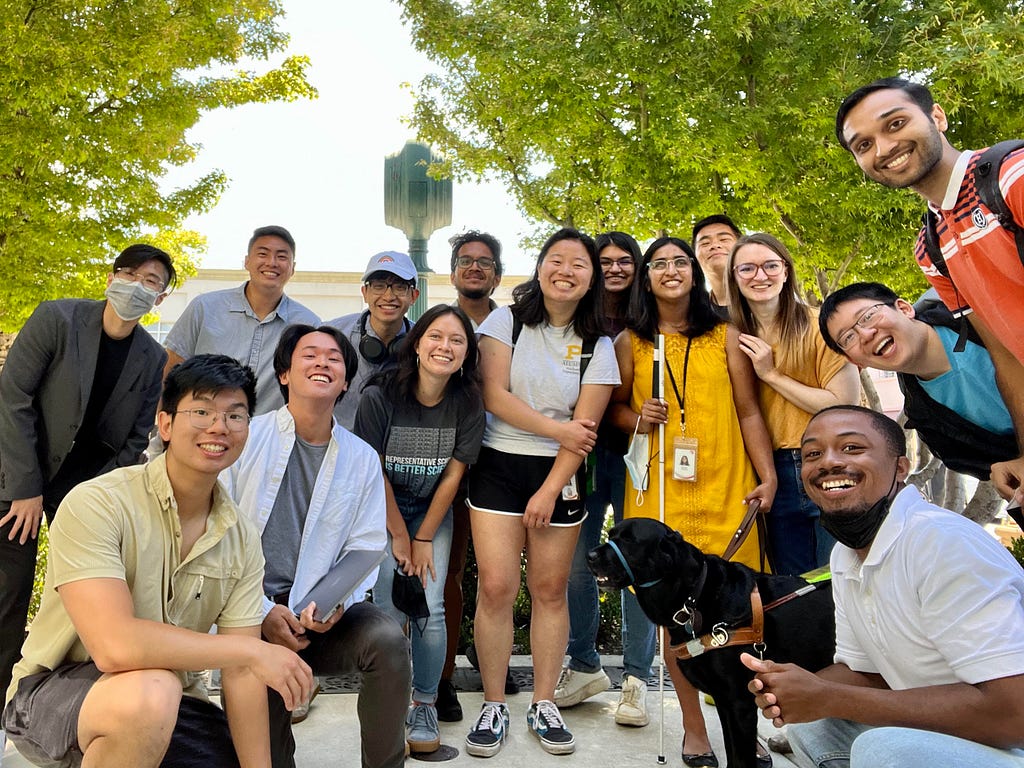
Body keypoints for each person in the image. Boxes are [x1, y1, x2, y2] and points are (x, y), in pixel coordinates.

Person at [3, 355, 314, 768]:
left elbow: (241, 674)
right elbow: (115, 647)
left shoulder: (239, 536)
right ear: (165, 424)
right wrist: (250, 652)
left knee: (227, 750)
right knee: (153, 692)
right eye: (201, 411)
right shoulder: (99, 503)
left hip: (171, 703)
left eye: (235, 416)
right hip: (54, 693)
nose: (219, 427)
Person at [742, 405, 1024, 768]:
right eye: (812, 453)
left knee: (883, 749)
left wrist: (828, 696)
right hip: (958, 734)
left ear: (901, 469)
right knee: (813, 727)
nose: (828, 462)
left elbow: (1013, 714)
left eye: (851, 448)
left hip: (1011, 741)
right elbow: (868, 674)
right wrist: (785, 685)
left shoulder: (942, 543)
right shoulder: (847, 555)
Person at [609, 236, 776, 767]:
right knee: (674, 619)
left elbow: (750, 410)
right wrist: (637, 417)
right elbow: (612, 412)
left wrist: (767, 474)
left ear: (695, 272)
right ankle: (694, 727)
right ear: (646, 276)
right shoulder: (629, 342)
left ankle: (741, 727)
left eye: (680, 261)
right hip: (660, 493)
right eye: (659, 263)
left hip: (726, 479)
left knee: (740, 613)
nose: (671, 270)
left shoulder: (727, 334)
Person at [220, 324, 410, 768]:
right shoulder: (246, 438)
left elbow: (364, 547)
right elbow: (218, 536)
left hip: (319, 616)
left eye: (334, 358)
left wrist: (333, 604)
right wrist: (265, 612)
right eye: (309, 355)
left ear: (345, 381)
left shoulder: (361, 455)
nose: (322, 362)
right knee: (264, 751)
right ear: (284, 374)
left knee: (385, 640)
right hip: (247, 617)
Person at [465, 228, 620, 757]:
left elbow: (587, 429)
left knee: (551, 590)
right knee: (496, 587)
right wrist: (556, 431)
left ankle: (545, 701)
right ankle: (492, 704)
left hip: (561, 475)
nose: (567, 271)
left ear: (592, 278)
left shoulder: (600, 344)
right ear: (539, 267)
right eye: (557, 260)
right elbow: (494, 396)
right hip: (499, 465)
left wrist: (551, 488)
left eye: (580, 264)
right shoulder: (505, 320)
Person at [834, 77, 1024, 503]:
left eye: (895, 123)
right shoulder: (931, 248)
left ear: (937, 116)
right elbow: (1004, 351)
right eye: (863, 146)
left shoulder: (1012, 176)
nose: (883, 148)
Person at [0, 243, 174, 698]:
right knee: (8, 596)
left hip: (84, 489)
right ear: (111, 277)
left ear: (161, 300)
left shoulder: (152, 357)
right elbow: (13, 399)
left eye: (151, 282)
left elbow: (135, 440)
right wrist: (26, 488)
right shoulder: (58, 319)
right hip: (18, 477)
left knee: (82, 598)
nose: (137, 286)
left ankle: (57, 703)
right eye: (129, 274)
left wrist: (92, 501)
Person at [354, 304, 486, 753]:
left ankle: (425, 702)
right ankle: (389, 701)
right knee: (389, 607)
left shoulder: (467, 401)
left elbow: (454, 473)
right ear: (417, 343)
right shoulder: (381, 395)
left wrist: (424, 536)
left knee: (430, 605)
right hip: (383, 509)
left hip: (433, 511)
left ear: (467, 354)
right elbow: (374, 471)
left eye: (456, 340)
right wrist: (399, 537)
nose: (444, 347)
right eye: (435, 336)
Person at [555, 231, 650, 726]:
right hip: (583, 455)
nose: (614, 269)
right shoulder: (577, 316)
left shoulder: (649, 318)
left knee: (638, 565)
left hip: (638, 455)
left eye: (624, 261)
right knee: (576, 563)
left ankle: (636, 678)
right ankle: (585, 663)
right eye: (604, 261)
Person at [726, 233, 860, 575]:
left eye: (770, 265)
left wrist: (771, 375)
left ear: (786, 271)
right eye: (748, 268)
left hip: (827, 460)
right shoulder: (728, 335)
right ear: (734, 277)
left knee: (839, 578)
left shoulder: (818, 326)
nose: (760, 276)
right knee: (792, 589)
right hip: (766, 470)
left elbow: (842, 405)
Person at [819, 282, 1016, 479]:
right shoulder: (926, 420)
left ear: (904, 309)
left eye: (868, 316)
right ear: (855, 361)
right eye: (848, 338)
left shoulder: (977, 309)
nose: (865, 334)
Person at [437, 231, 505, 723]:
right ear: (454, 271)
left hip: (508, 461)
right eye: (466, 261)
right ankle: (439, 677)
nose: (475, 268)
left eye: (484, 262)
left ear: (497, 274)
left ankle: (491, 658)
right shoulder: (440, 326)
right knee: (449, 574)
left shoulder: (517, 324)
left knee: (501, 577)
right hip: (452, 464)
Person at [164, 225, 318, 415]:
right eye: (263, 254)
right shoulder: (204, 307)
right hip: (203, 429)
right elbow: (169, 369)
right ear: (247, 261)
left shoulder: (308, 325)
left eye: (282, 256)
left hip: (269, 437)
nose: (272, 262)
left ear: (293, 268)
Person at [327, 251, 419, 430]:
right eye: (379, 286)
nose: (388, 296)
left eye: (399, 287)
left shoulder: (424, 342)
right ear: (365, 292)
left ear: (414, 296)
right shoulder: (332, 336)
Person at [692, 214, 742, 317]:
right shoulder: (693, 313)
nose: (714, 245)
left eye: (724, 239)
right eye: (705, 243)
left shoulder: (768, 299)